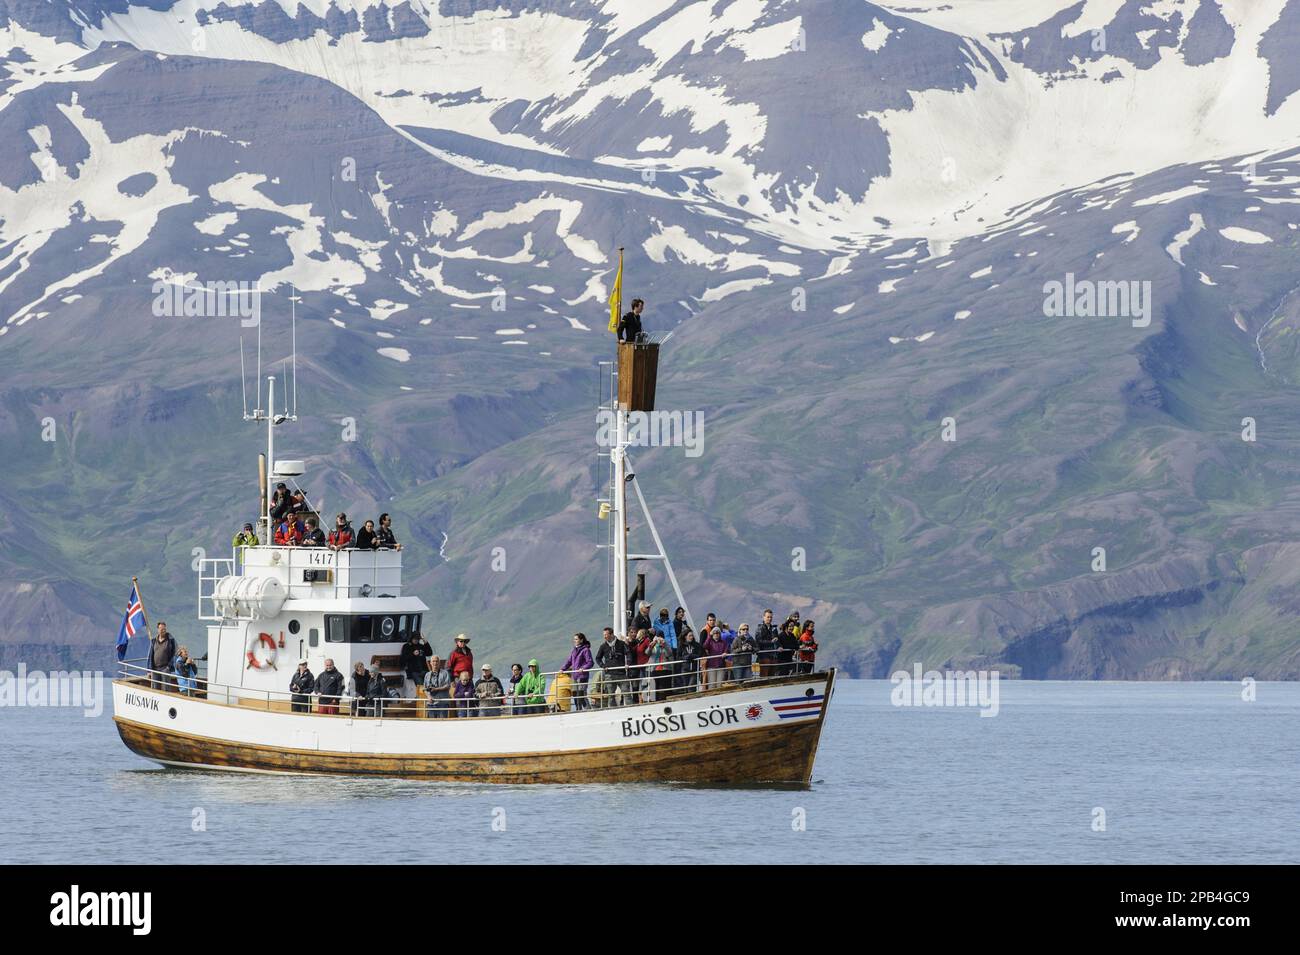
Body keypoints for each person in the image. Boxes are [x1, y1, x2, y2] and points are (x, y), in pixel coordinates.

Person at [559, 633, 594, 710]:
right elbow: (569, 661)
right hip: (574, 676)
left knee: (582, 695)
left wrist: (583, 668)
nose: (574, 641)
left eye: (576, 639)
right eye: (574, 639)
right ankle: (578, 710)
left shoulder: (586, 650)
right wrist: (563, 669)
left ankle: (588, 710)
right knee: (575, 695)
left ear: (581, 640)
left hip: (582, 676)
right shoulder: (574, 650)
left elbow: (590, 662)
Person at [594, 628, 622, 708]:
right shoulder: (603, 646)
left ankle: (627, 707)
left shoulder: (621, 644)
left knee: (626, 692)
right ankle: (612, 708)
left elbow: (628, 654)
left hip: (621, 673)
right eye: (604, 635)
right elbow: (598, 658)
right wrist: (603, 666)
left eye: (606, 634)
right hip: (609, 673)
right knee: (610, 694)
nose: (605, 637)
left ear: (612, 634)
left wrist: (628, 663)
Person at [399, 632, 432, 699]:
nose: (416, 640)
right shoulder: (407, 646)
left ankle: (425, 698)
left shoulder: (421, 646)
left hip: (424, 670)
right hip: (414, 671)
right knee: (420, 686)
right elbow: (403, 659)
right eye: (415, 639)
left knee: (429, 685)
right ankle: (421, 700)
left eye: (417, 639)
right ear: (411, 638)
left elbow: (429, 653)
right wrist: (413, 654)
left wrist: (425, 641)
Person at [149, 622, 177, 690]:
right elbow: (150, 655)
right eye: (161, 629)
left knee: (166, 688)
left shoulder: (170, 640)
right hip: (155, 668)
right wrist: (149, 670)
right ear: (158, 630)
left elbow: (175, 654)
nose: (163, 631)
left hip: (165, 668)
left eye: (164, 629)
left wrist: (168, 667)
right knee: (155, 688)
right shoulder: (153, 641)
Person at [644, 633, 671, 702]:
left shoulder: (666, 645)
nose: (659, 640)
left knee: (663, 688)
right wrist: (651, 645)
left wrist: (664, 645)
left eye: (660, 638)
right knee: (654, 687)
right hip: (654, 669)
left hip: (664, 669)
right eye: (658, 638)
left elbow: (669, 654)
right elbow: (647, 653)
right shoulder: (653, 645)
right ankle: (654, 701)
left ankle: (663, 700)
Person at [756, 609, 781, 677]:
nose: (769, 619)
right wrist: (770, 642)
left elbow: (777, 639)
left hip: (773, 655)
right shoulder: (760, 628)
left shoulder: (774, 628)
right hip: (764, 655)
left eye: (771, 617)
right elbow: (758, 641)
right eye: (768, 617)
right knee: (764, 675)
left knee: (772, 675)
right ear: (763, 617)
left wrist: (779, 646)